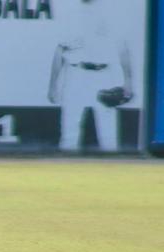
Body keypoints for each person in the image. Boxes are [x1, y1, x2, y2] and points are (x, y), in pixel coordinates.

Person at [47, 0, 133, 153]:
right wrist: (53, 86)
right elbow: (59, 51)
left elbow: (123, 50)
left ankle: (113, 174)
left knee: (109, 136)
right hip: (76, 73)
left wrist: (128, 82)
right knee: (69, 133)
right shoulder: (70, 14)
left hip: (103, 75)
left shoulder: (112, 13)